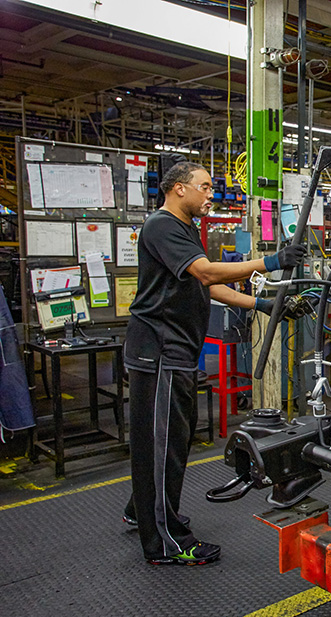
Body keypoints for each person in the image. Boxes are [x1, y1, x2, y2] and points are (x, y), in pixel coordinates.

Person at [123, 161, 306, 566]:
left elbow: (213, 286)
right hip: (160, 354)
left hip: (174, 352)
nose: (211, 195)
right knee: (164, 445)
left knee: (165, 441)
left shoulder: (185, 229)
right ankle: (166, 540)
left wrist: (264, 304)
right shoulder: (162, 225)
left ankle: (144, 511)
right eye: (205, 187)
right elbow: (206, 274)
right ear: (178, 189)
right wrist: (270, 262)